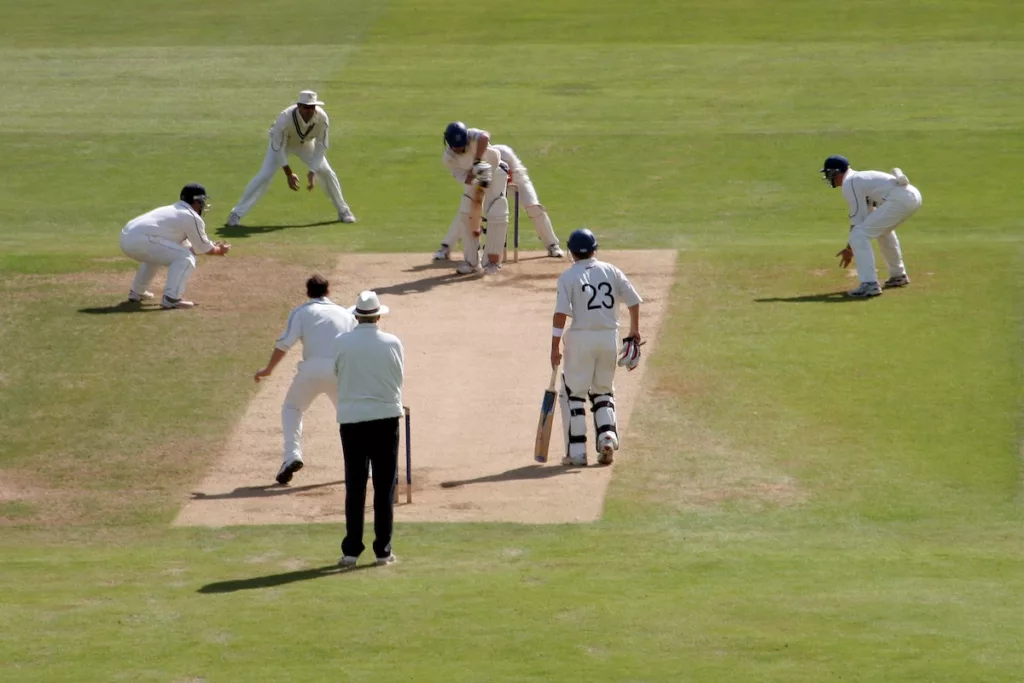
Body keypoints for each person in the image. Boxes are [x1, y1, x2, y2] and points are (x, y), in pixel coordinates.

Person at [551, 229, 642, 467]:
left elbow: (560, 315)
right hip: (608, 338)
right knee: (603, 391)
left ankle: (577, 453)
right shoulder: (611, 270)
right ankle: (608, 438)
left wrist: (554, 347)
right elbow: (633, 299)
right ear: (595, 249)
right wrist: (634, 330)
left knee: (574, 395)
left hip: (580, 339)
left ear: (570, 252)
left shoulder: (568, 276)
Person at [254, 275, 356, 485]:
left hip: (311, 370)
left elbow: (285, 343)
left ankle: (292, 455)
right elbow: (354, 344)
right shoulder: (345, 314)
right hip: (340, 371)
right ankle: (363, 466)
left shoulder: (300, 312)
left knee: (292, 408)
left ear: (307, 292)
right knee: (349, 418)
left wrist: (269, 369)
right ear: (328, 291)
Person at [335, 290, 405, 567]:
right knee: (384, 485)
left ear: (357, 316)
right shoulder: (392, 342)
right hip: (385, 417)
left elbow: (337, 372)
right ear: (377, 316)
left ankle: (351, 549)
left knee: (355, 484)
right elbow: (397, 376)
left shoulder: (342, 342)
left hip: (352, 419)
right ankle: (382, 550)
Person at [435, 122, 563, 265]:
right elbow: (466, 179)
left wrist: (478, 162)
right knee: (467, 212)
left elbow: (485, 137)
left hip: (514, 178)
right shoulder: (450, 158)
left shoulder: (501, 151)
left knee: (534, 207)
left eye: (461, 145)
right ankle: (446, 247)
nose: (458, 149)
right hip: (480, 180)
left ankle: (552, 244)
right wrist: (476, 173)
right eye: (455, 146)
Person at [226, 90, 356, 227]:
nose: (308, 111)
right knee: (265, 176)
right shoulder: (284, 119)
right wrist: (289, 173)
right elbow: (278, 148)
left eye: (312, 107)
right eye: (305, 107)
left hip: (305, 144)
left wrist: (312, 170)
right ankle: (236, 214)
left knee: (326, 172)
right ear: (299, 106)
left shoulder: (322, 118)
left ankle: (343, 211)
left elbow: (321, 146)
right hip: (282, 144)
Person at [821, 155, 923, 298]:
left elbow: (857, 222)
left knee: (858, 234)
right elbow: (869, 215)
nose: (827, 177)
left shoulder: (850, 183)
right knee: (882, 232)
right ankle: (898, 276)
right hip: (912, 196)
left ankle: (869, 285)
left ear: (835, 173)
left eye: (828, 173)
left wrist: (850, 249)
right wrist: (851, 247)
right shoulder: (858, 180)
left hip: (900, 200)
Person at [119, 183, 230, 310]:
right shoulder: (191, 216)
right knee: (185, 258)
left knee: (158, 256)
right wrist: (219, 250)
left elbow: (187, 246)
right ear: (197, 201)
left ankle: (137, 292)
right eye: (202, 201)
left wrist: (209, 245)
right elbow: (204, 249)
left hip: (126, 238)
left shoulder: (173, 210)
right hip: (143, 240)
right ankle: (172, 299)